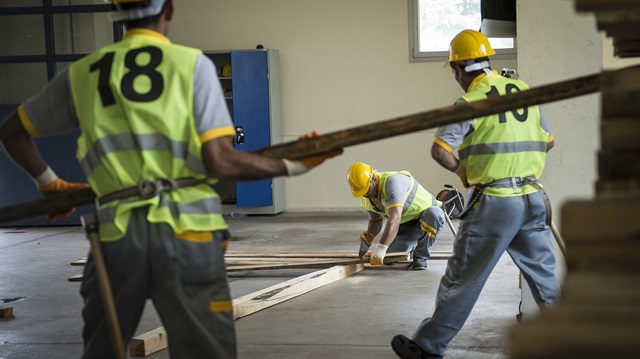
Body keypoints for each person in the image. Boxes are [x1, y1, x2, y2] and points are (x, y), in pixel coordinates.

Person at [0, 1, 341, 358]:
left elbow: (12, 132)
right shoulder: (191, 66)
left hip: (115, 241)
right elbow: (221, 162)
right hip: (187, 237)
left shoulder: (82, 73)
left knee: (103, 349)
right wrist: (294, 164)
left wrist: (50, 183)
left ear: (115, 10)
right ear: (170, 9)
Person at [391, 29, 561, 358]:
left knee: (463, 277)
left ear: (458, 69)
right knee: (544, 276)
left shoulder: (469, 101)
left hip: (496, 202)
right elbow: (549, 142)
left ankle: (428, 346)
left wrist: (464, 172)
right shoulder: (522, 90)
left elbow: (440, 150)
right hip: (534, 198)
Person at [346, 162, 445, 270]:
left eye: (366, 189)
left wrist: (381, 247)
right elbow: (376, 221)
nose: (364, 194)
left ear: (373, 178)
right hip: (405, 226)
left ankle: (421, 255)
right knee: (391, 257)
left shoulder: (393, 182)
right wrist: (370, 235)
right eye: (361, 192)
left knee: (434, 214)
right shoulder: (367, 197)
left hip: (426, 217)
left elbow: (395, 218)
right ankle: (410, 250)